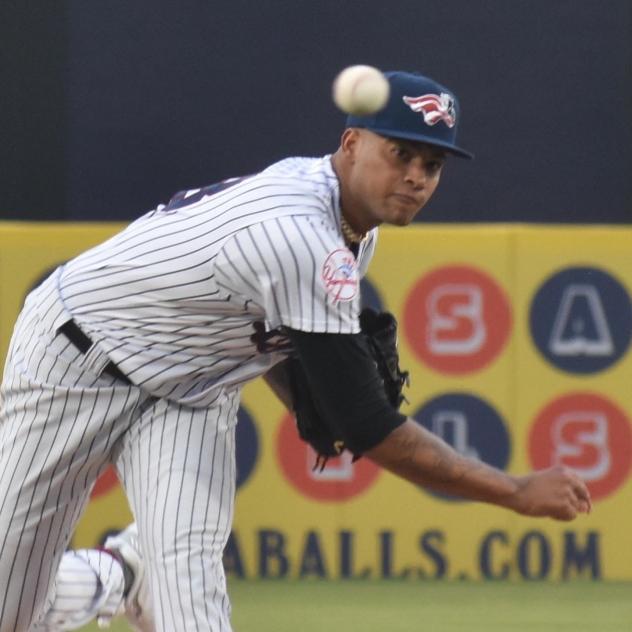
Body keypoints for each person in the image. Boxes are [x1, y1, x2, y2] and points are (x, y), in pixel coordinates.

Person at [0, 71, 591, 632]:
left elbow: (276, 334)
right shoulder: (301, 233)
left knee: (190, 600)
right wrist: (514, 491)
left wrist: (304, 397)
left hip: (196, 384)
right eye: (400, 154)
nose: (416, 176)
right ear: (352, 143)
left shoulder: (354, 227)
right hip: (77, 360)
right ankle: (120, 573)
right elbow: (369, 426)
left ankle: (145, 575)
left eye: (431, 164)